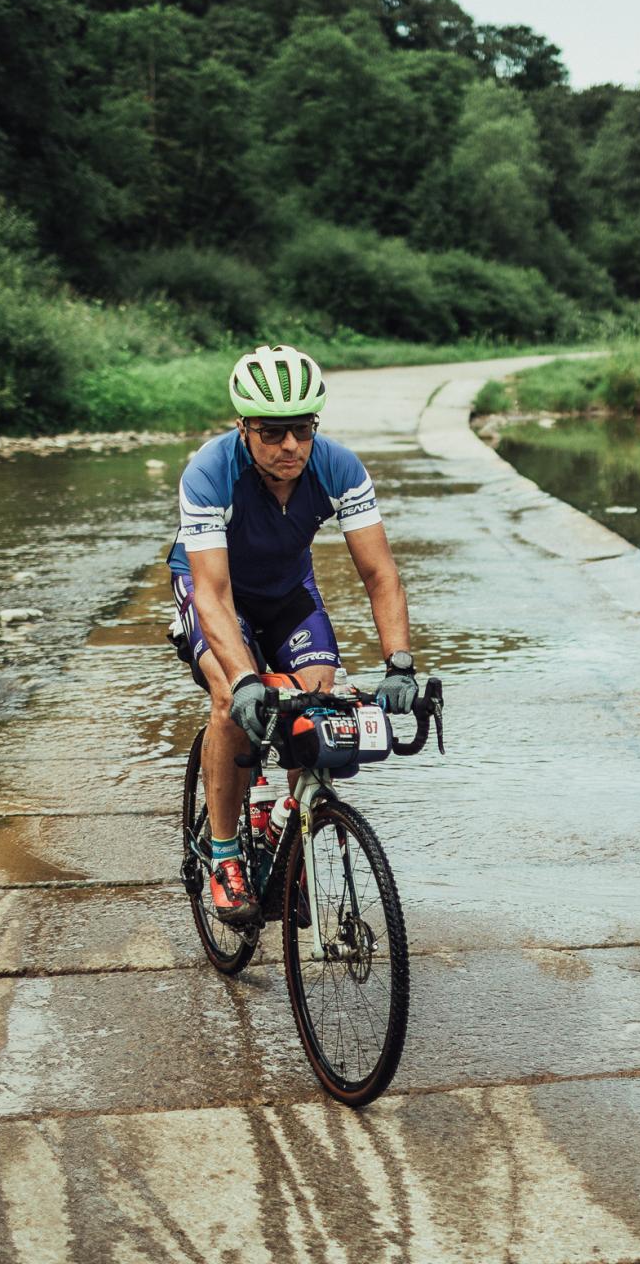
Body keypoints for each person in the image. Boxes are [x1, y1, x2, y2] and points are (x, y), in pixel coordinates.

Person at [169, 345, 420, 924]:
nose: (290, 446)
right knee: (232, 700)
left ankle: (287, 824)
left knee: (318, 701)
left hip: (287, 593)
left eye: (303, 429)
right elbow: (213, 593)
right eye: (272, 432)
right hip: (216, 592)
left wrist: (400, 664)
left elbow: (380, 574)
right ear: (243, 427)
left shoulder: (339, 467)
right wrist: (244, 677)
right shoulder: (209, 473)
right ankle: (225, 857)